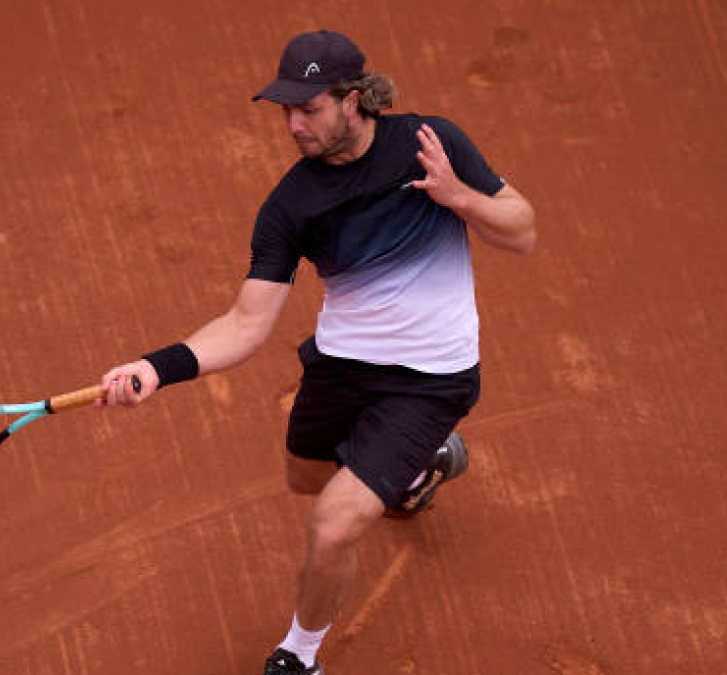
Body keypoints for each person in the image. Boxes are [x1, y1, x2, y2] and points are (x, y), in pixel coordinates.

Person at [97, 29, 535, 675]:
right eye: (286, 111)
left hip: (428, 379)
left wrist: (458, 197)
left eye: (309, 109)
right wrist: (154, 368)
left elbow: (521, 230)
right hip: (341, 366)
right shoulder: (291, 205)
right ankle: (421, 467)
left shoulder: (429, 145)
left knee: (333, 525)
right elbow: (247, 324)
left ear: (353, 99)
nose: (294, 125)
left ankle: (298, 658)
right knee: (306, 478)